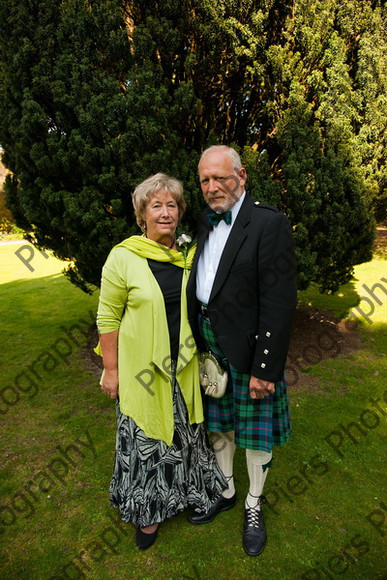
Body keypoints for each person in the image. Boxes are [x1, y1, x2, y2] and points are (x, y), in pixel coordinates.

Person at [96, 172, 226, 550]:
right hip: (142, 372)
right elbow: (107, 317)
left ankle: (185, 495)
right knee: (147, 442)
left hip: (182, 367)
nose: (166, 212)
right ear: (143, 214)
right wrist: (112, 369)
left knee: (183, 438)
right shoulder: (123, 257)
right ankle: (147, 514)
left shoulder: (186, 256)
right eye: (157, 205)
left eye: (172, 205)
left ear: (179, 212)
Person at [187, 145, 297, 556]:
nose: (212, 187)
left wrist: (265, 370)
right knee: (220, 426)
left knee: (255, 433)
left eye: (220, 177)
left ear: (241, 175)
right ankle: (227, 490)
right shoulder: (203, 222)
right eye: (205, 180)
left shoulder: (269, 223)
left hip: (251, 351)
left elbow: (280, 301)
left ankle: (254, 502)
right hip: (211, 346)